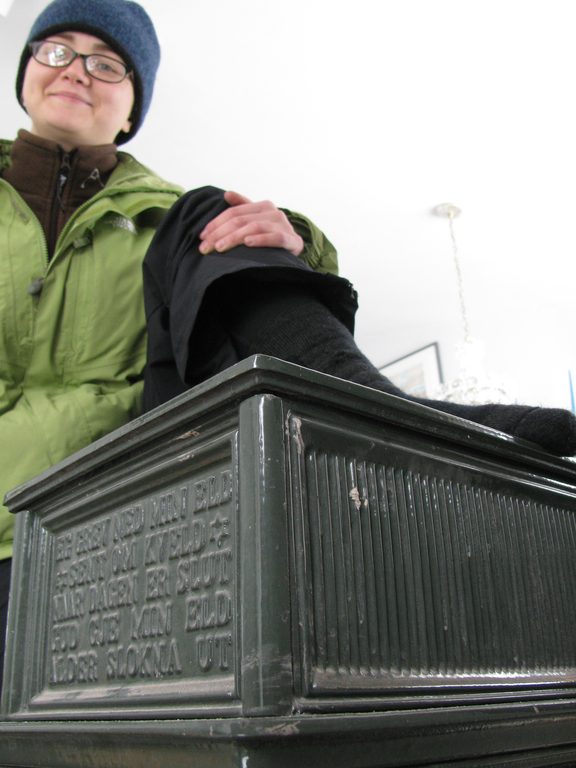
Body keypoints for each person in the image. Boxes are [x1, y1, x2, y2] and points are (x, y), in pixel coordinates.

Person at [1, 0, 575, 693]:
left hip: (118, 504)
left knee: (208, 215)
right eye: (57, 51)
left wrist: (295, 234)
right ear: (27, 72)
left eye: (106, 63)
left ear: (131, 110)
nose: (78, 72)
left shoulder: (162, 219)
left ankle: (380, 408)